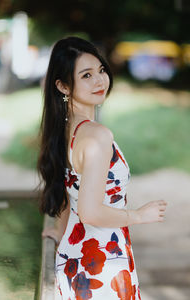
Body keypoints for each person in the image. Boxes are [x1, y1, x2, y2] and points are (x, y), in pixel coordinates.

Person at [37, 36, 167, 299]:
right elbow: (90, 212)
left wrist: (61, 233)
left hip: (76, 258)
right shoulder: (96, 136)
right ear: (62, 86)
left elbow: (70, 190)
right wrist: (139, 215)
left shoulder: (65, 132)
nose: (99, 81)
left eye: (101, 70)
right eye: (86, 75)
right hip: (102, 268)